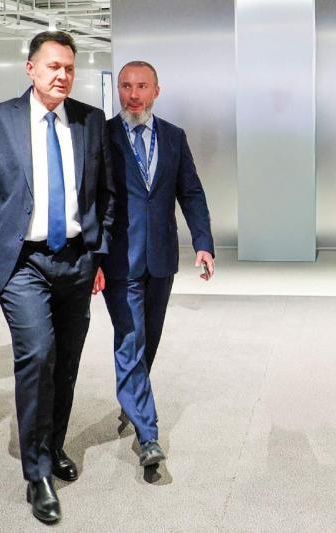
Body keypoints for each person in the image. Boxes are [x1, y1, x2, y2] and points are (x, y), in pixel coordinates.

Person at [0, 31, 114, 524]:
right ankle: (37, 472)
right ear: (30, 68)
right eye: (53, 66)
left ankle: (53, 444)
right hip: (23, 261)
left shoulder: (90, 120)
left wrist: (99, 254)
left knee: (65, 361)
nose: (62, 75)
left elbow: (105, 195)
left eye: (69, 68)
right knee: (38, 354)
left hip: (76, 260)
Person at [92, 61, 215, 468]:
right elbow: (90, 198)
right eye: (126, 86)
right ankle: (149, 436)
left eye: (142, 86)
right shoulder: (102, 136)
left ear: (156, 91)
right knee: (131, 339)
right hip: (118, 260)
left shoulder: (174, 137)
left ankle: (131, 395)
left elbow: (190, 192)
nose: (133, 95)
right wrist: (92, 255)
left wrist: (203, 243)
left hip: (161, 258)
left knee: (149, 340)